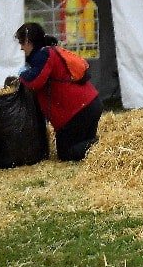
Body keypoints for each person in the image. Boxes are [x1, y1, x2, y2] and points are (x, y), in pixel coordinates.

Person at [15, 22, 102, 162]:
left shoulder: (44, 55)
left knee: (67, 153)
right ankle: (103, 146)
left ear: (28, 41)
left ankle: (105, 146)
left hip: (79, 110)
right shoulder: (49, 51)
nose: (21, 47)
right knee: (82, 146)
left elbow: (35, 81)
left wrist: (22, 75)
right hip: (89, 104)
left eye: (21, 43)